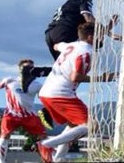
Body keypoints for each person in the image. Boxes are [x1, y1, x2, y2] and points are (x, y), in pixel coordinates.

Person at [37, 22, 117, 163]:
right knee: (92, 126)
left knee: (73, 126)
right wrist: (102, 78)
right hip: (61, 94)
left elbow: (56, 45)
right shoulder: (86, 52)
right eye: (100, 35)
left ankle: (58, 159)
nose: (102, 39)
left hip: (46, 92)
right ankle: (47, 144)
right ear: (91, 37)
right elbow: (75, 76)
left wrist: (108, 27)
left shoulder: (71, 45)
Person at [0, 59, 48, 163]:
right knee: (5, 135)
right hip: (11, 114)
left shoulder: (37, 85)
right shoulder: (10, 81)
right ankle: (2, 161)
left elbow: (45, 98)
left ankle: (47, 159)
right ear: (20, 69)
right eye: (26, 68)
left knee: (44, 136)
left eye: (31, 68)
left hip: (29, 115)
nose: (29, 70)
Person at [45, 0, 121, 61]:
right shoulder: (81, 1)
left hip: (50, 35)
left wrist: (108, 28)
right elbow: (89, 18)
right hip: (63, 32)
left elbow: (88, 26)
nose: (90, 3)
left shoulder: (67, 8)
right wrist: (110, 34)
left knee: (63, 64)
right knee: (74, 62)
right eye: (89, 0)